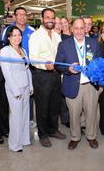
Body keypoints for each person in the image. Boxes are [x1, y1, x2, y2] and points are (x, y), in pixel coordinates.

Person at [55, 18, 102, 150]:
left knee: (91, 113)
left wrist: (101, 83)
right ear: (71, 29)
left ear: (85, 29)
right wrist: (68, 69)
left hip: (90, 86)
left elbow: (99, 63)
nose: (80, 31)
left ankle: (91, 136)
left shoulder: (94, 44)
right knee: (74, 114)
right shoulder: (64, 45)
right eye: (76, 28)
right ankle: (75, 137)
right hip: (72, 84)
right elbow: (57, 64)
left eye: (82, 28)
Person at [29, 8, 66, 148]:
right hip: (42, 75)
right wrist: (45, 65)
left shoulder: (57, 36)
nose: (50, 20)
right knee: (42, 107)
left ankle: (53, 129)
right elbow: (32, 58)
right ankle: (43, 134)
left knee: (54, 105)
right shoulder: (36, 36)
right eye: (47, 17)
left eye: (52, 17)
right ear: (42, 19)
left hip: (56, 74)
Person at [0, 7, 36, 128]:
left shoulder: (32, 30)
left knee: (28, 98)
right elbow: (3, 47)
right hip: (13, 70)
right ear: (14, 16)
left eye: (24, 14)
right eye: (19, 14)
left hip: (28, 66)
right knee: (16, 107)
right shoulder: (7, 31)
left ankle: (29, 119)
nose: (22, 17)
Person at [0, 25, 33, 152]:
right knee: (16, 116)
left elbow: (27, 69)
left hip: (25, 86)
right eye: (14, 35)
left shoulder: (22, 50)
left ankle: (24, 140)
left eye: (19, 35)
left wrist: (30, 86)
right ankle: (15, 145)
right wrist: (16, 90)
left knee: (25, 115)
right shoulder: (6, 51)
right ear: (9, 37)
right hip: (15, 88)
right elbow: (6, 73)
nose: (17, 37)